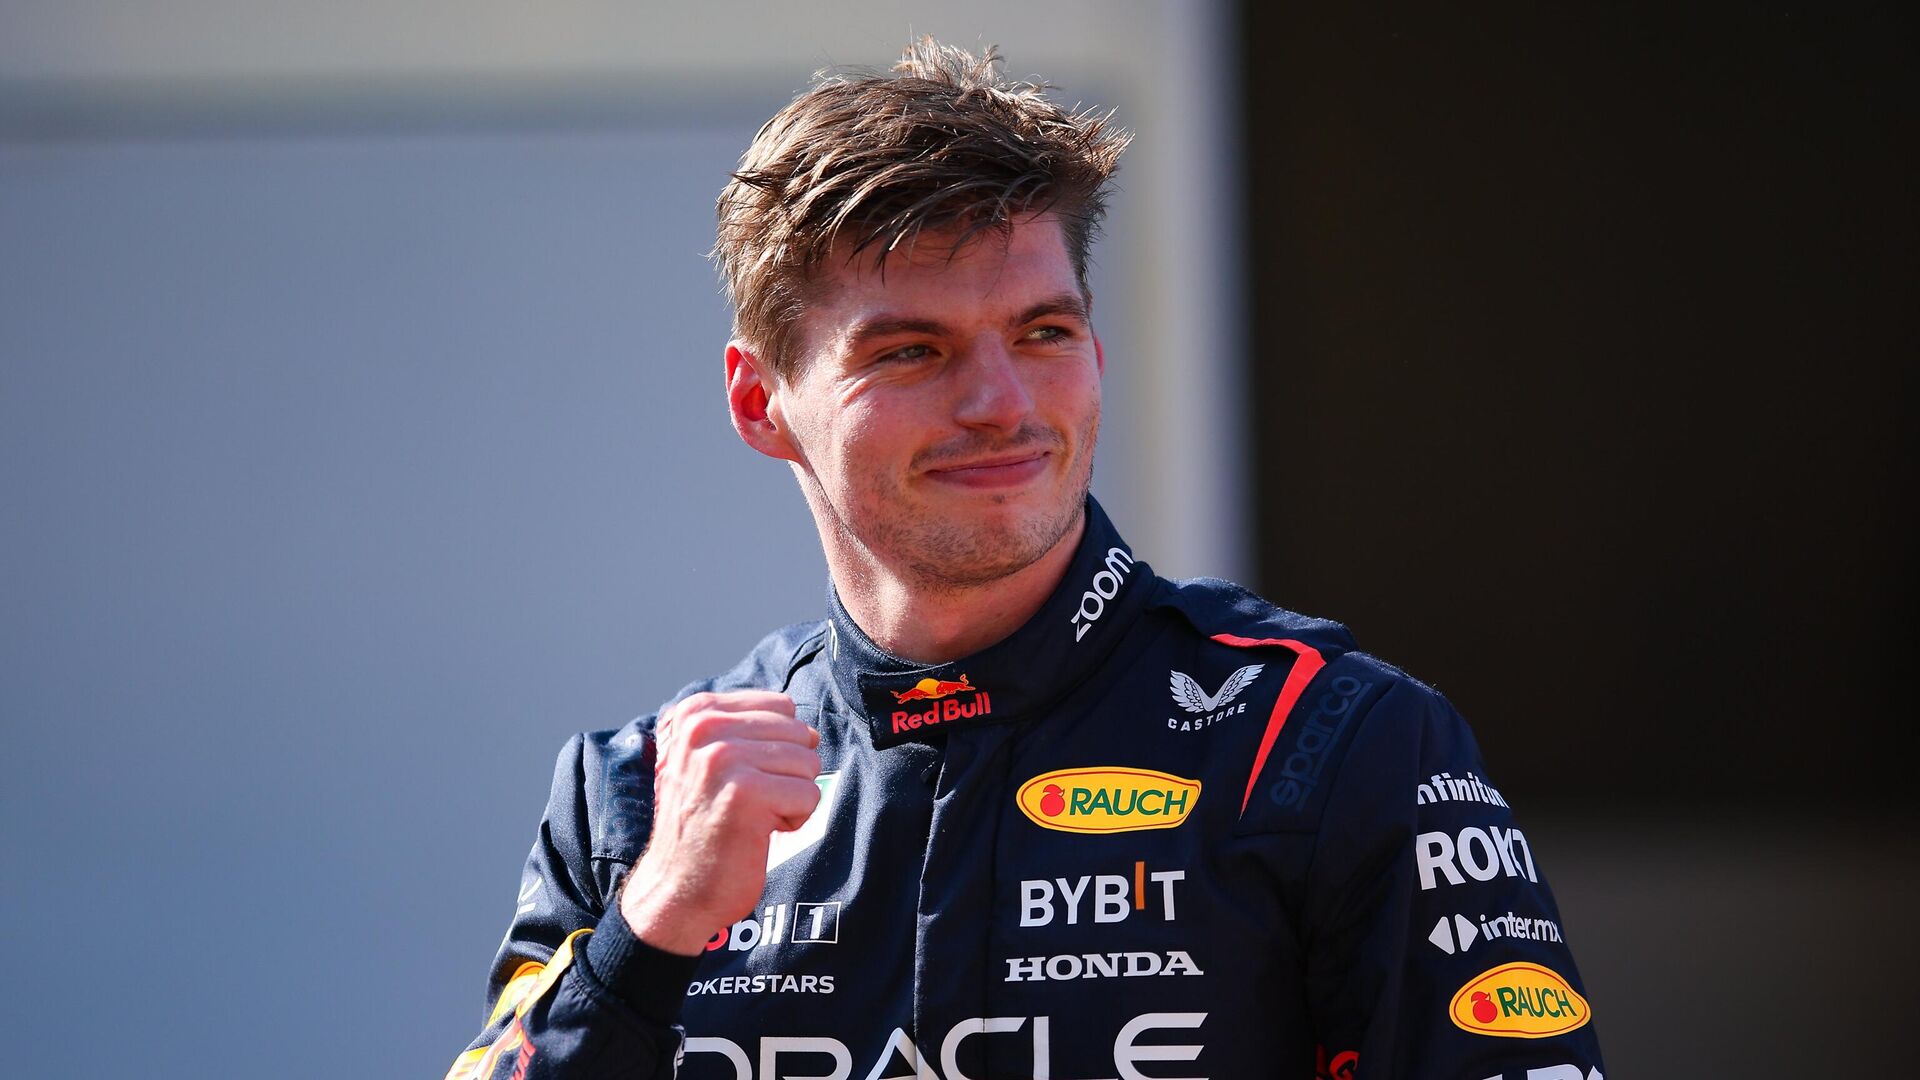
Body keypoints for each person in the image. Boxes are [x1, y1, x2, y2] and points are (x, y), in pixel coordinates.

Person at [446, 38, 1606, 1080]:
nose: (1001, 403)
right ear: (761, 401)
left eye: (1043, 333)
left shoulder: (1329, 744)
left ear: (1094, 352)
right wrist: (646, 932)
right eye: (912, 351)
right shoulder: (637, 799)